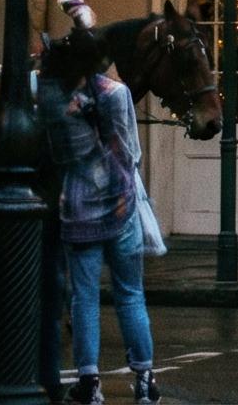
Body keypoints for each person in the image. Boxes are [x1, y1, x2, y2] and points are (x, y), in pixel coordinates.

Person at [51, 37, 157, 402]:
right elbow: (131, 150)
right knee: (130, 294)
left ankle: (89, 384)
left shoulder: (56, 102)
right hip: (120, 205)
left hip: (79, 208)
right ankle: (144, 382)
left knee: (84, 298)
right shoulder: (116, 93)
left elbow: (55, 154)